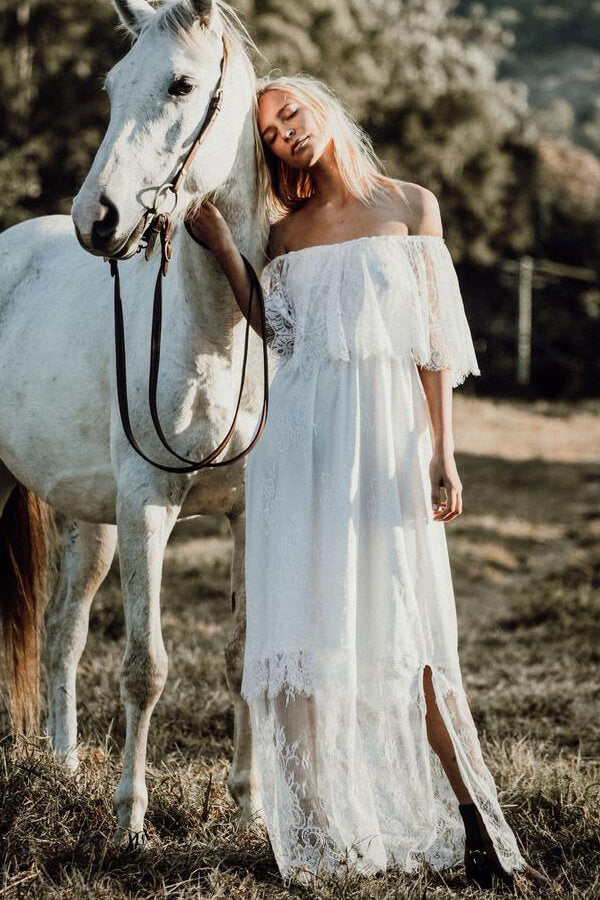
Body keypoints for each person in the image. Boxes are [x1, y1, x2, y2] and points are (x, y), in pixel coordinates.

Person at [188, 73, 549, 889]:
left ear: (320, 106)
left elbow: (434, 344)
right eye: (270, 135)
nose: (286, 134)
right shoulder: (284, 234)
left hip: (388, 441)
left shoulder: (412, 206)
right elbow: (280, 333)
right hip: (299, 448)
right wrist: (226, 251)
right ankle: (323, 831)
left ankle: (481, 833)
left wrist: (443, 451)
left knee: (416, 633)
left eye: (290, 114)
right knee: (308, 633)